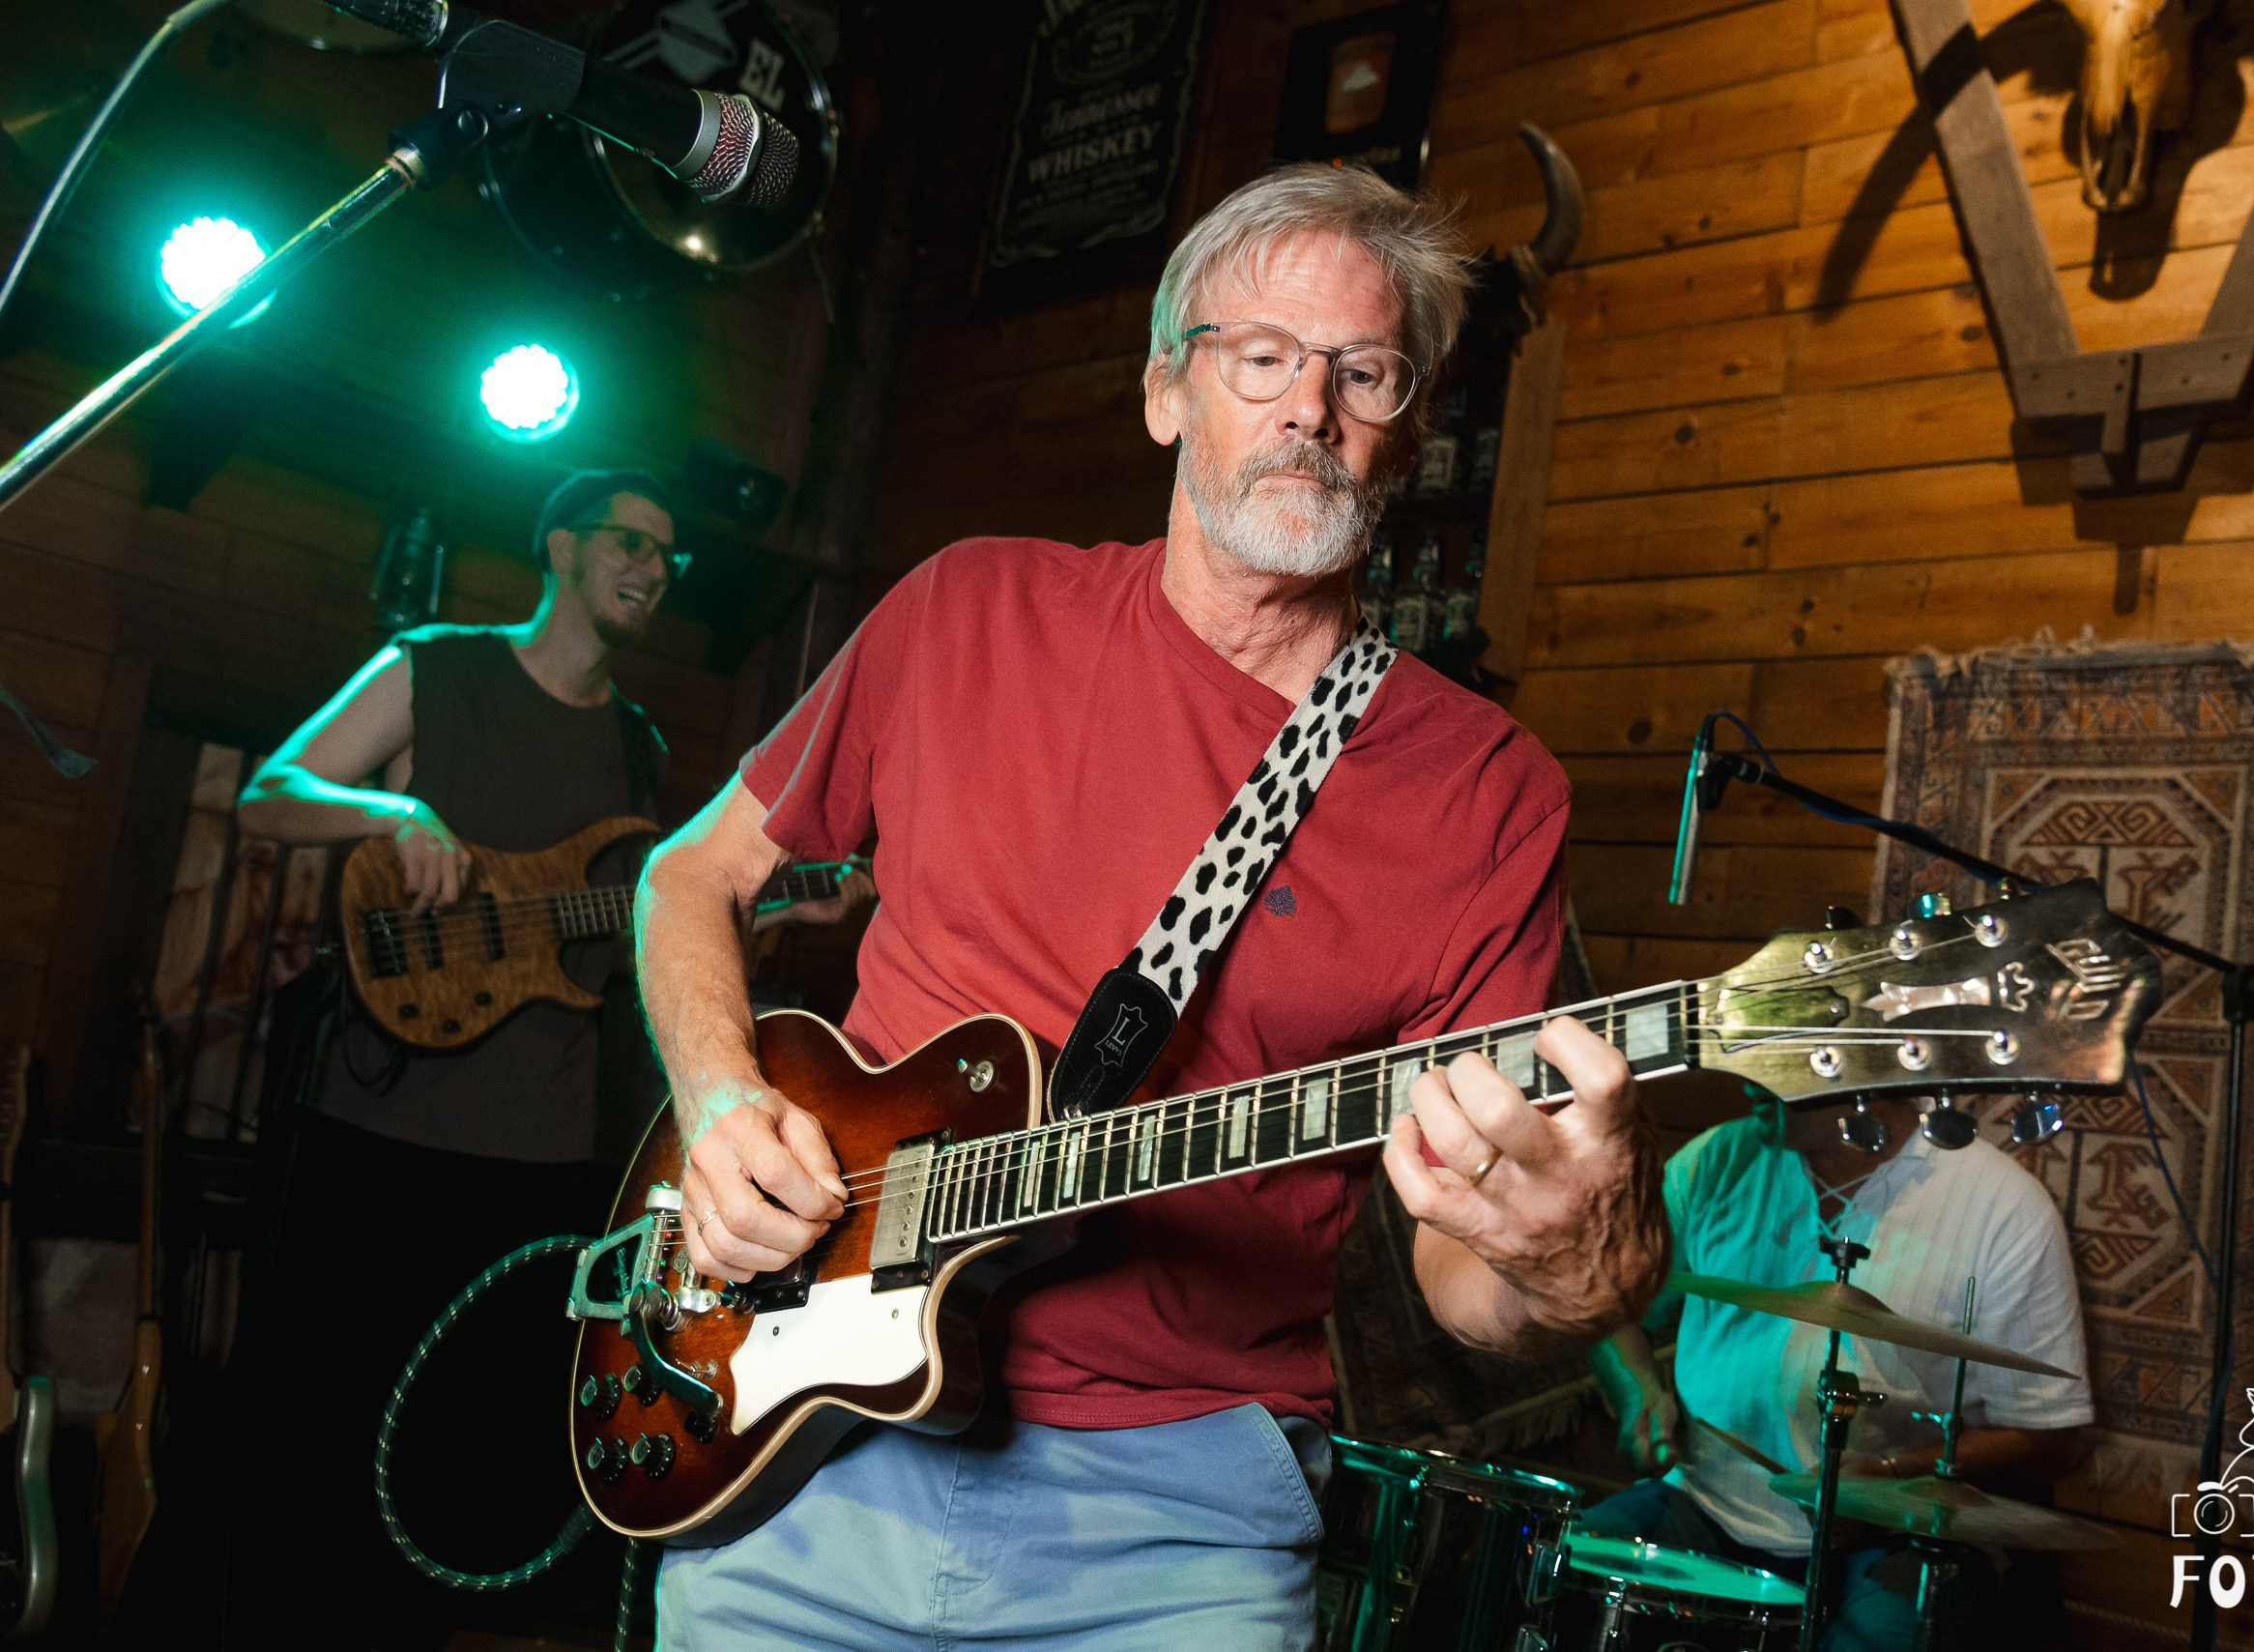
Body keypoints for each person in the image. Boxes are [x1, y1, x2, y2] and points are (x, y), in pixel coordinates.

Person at [634, 163, 1669, 1651]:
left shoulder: (1486, 790)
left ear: (1408, 432)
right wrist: (724, 1100)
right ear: (1165, 395)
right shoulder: (964, 610)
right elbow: (693, 871)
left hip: (1178, 1523)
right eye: (1262, 356)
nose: (1309, 407)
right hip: (805, 1443)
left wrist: (1566, 1267)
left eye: (1362, 371)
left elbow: (1459, 1268)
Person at [226, 471, 871, 1647]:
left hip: (536, 1143)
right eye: (631, 542)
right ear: (562, 548)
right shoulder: (438, 665)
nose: (652, 569)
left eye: (668, 558)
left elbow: (628, 922)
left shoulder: (636, 744)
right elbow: (271, 791)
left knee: (466, 1448)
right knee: (305, 1413)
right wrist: (396, 815)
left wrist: (774, 912)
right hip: (375, 1119)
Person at [1584, 1094, 2093, 1651]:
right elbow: (1609, 1305)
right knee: (1563, 1570)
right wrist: (1636, 1390)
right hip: (1701, 1501)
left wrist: (1893, 1475)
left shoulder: (2001, 1206)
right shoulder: (1716, 1158)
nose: (1749, 1079)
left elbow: (2053, 1439)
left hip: (1898, 1537)